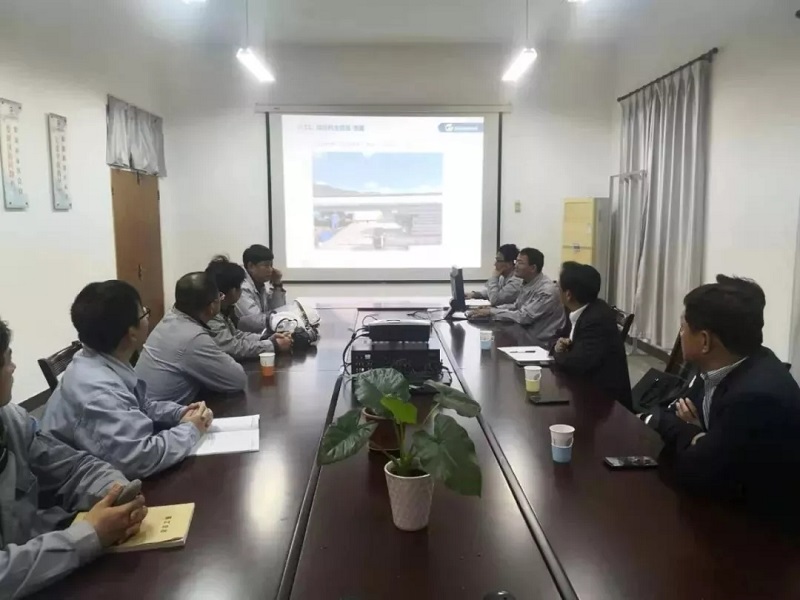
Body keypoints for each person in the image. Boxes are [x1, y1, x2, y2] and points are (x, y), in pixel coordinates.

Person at [0, 318, 148, 597]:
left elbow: (71, 467)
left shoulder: (11, 420)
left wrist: (115, 493)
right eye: (7, 360)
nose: (14, 367)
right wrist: (88, 536)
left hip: (39, 559)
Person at [649, 276, 800, 521]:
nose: (680, 333)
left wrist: (690, 431)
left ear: (704, 341)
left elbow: (695, 474)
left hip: (757, 528)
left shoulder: (755, 398)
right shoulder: (719, 365)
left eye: (683, 327)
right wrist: (697, 436)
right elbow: (665, 410)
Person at [42, 281, 213, 479]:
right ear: (131, 333)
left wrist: (181, 413)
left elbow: (141, 406)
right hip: (75, 488)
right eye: (144, 313)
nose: (147, 317)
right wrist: (191, 429)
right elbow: (139, 460)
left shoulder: (100, 357)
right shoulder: (100, 392)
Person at [135, 272, 247, 404]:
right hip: (158, 414)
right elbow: (237, 380)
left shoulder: (171, 318)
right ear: (212, 306)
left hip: (142, 405)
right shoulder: (192, 338)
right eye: (220, 296)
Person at [550, 262, 632, 409]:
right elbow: (557, 336)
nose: (556, 288)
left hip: (604, 404)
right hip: (582, 390)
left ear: (568, 295)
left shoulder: (597, 319)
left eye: (558, 285)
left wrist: (558, 352)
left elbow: (576, 364)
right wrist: (557, 345)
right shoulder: (577, 309)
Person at [468, 248, 564, 341]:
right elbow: (516, 306)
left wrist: (492, 312)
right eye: (516, 261)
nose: (516, 266)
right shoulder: (526, 282)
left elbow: (524, 317)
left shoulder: (546, 291)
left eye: (520, 263)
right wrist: (491, 309)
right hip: (524, 335)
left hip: (541, 343)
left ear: (533, 268)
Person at [205, 256, 292, 358]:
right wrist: (273, 345)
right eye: (266, 265)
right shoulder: (210, 315)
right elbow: (233, 348)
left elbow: (236, 335)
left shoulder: (223, 310)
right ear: (233, 290)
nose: (270, 269)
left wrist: (266, 338)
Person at [235, 244, 287, 333]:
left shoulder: (259, 283)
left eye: (271, 265)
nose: (271, 269)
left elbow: (279, 310)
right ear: (251, 266)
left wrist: (277, 284)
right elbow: (257, 322)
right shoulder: (241, 286)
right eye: (266, 265)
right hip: (246, 337)